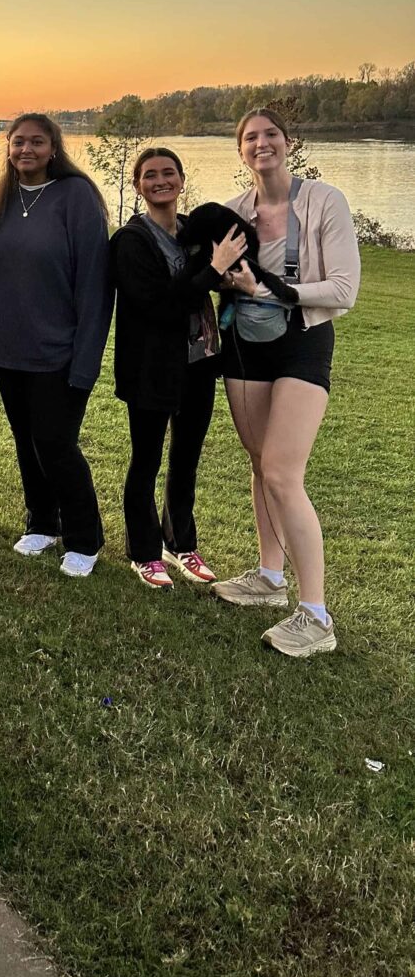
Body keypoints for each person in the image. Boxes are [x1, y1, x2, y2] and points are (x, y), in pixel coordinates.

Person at [211, 107, 360, 657]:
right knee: (260, 464)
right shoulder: (232, 212)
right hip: (245, 347)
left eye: (270, 134)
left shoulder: (325, 201)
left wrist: (269, 291)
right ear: (241, 151)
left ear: (288, 142)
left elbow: (344, 289)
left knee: (281, 470)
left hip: (303, 340)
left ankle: (316, 616)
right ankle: (269, 579)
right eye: (250, 138)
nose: (261, 144)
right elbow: (212, 273)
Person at [0, 112, 111, 576]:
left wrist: (86, 360)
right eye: (18, 142)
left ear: (54, 148)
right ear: (9, 148)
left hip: (60, 351)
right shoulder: (1, 200)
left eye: (37, 142)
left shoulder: (77, 197)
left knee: (56, 443)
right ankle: (42, 521)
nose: (26, 150)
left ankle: (85, 536)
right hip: (7, 349)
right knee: (25, 440)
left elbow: (96, 284)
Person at [110, 147, 247, 589]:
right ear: (138, 186)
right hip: (151, 368)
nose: (160, 181)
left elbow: (211, 281)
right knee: (145, 460)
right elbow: (159, 306)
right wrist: (215, 268)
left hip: (200, 363)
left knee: (186, 458)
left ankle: (180, 544)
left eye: (168, 173)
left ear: (182, 180)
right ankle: (144, 552)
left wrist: (224, 275)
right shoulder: (130, 241)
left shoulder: (193, 229)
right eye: (150, 175)